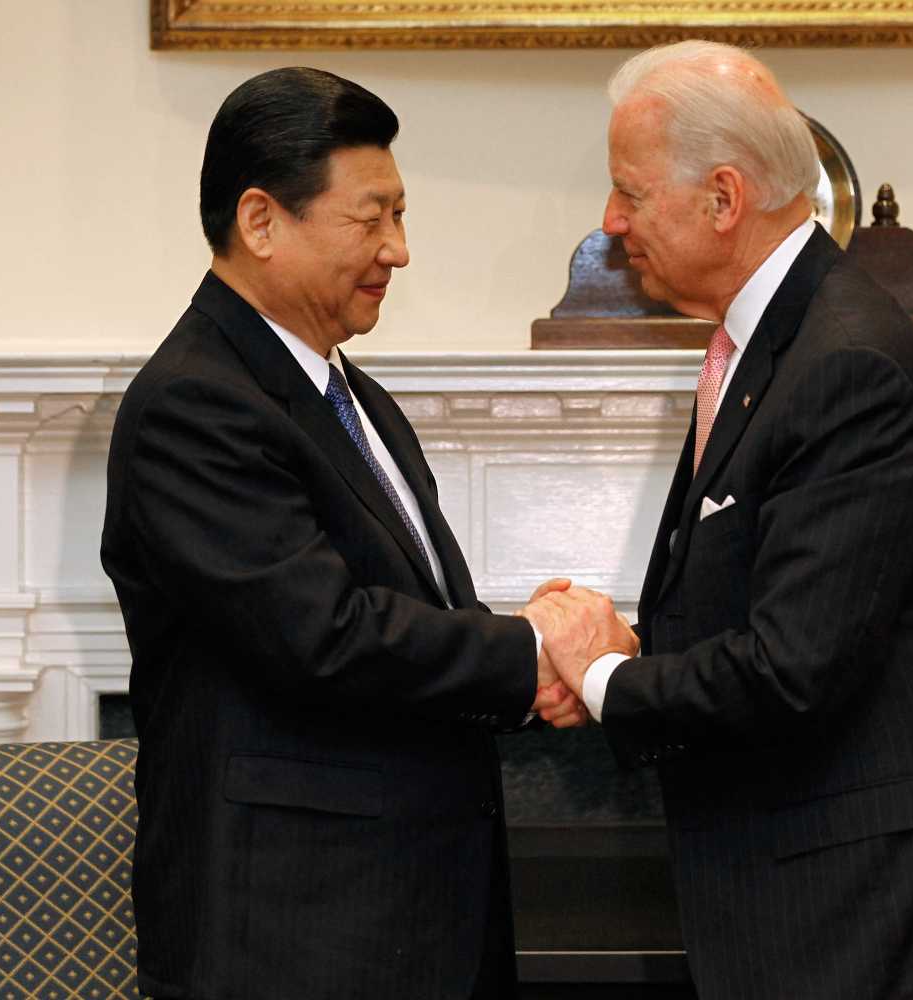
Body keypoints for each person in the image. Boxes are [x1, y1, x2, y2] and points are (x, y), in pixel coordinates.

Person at [526, 42, 913, 999]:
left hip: (871, 917)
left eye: (630, 194)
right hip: (810, 900)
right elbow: (780, 608)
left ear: (723, 199)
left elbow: (793, 670)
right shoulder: (779, 341)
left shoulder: (847, 366)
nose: (611, 222)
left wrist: (601, 674)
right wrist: (635, 648)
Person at [100, 67, 625, 1000]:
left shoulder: (351, 396)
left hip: (406, 919)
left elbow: (411, 613)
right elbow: (324, 636)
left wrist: (528, 642)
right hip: (292, 936)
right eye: (371, 218)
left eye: (401, 215)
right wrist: (536, 647)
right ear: (262, 222)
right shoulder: (195, 404)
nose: (400, 249)